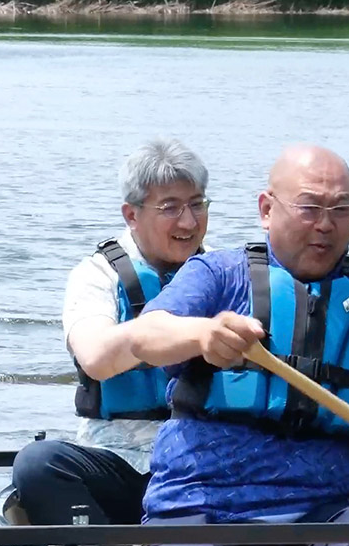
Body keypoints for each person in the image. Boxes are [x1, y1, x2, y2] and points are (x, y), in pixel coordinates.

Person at [119, 145, 349, 546]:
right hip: (202, 509)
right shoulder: (217, 275)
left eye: (341, 211)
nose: (326, 225)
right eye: (310, 208)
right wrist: (204, 334)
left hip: (328, 512)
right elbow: (144, 336)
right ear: (267, 209)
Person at [11, 139, 210, 526]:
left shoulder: (224, 272)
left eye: (197, 204)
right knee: (37, 464)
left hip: (202, 460)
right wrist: (179, 333)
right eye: (170, 207)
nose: (188, 222)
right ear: (131, 215)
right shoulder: (96, 275)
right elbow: (96, 357)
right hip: (119, 460)